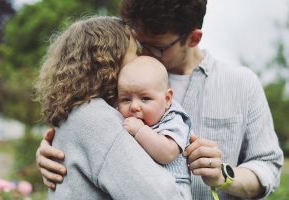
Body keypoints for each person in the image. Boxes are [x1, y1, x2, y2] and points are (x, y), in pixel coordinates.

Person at [36, 0, 284, 199]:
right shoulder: (116, 86)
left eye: (156, 48)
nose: (144, 55)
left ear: (193, 38)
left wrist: (225, 176)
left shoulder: (241, 84)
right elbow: (90, 133)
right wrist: (57, 154)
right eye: (139, 43)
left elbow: (269, 165)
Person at [35, 16, 187, 199]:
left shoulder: (75, 112)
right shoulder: (97, 118)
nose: (141, 59)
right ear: (109, 62)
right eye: (135, 53)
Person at [117, 56, 192, 199]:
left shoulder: (174, 119)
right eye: (126, 99)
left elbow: (167, 154)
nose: (133, 106)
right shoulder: (124, 119)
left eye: (145, 98)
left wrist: (140, 131)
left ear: (167, 99)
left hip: (174, 190)